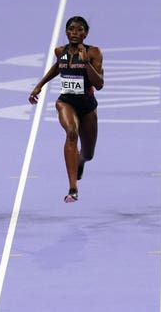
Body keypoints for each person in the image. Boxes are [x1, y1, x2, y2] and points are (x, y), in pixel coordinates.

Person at [29, 16, 104, 203]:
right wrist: (40, 85)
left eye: (79, 30)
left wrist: (86, 63)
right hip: (66, 102)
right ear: (66, 31)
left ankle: (81, 161)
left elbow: (100, 84)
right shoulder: (60, 51)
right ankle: (73, 188)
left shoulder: (93, 52)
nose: (75, 33)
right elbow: (58, 67)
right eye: (71, 29)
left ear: (85, 33)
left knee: (89, 153)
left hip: (87, 105)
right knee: (71, 132)